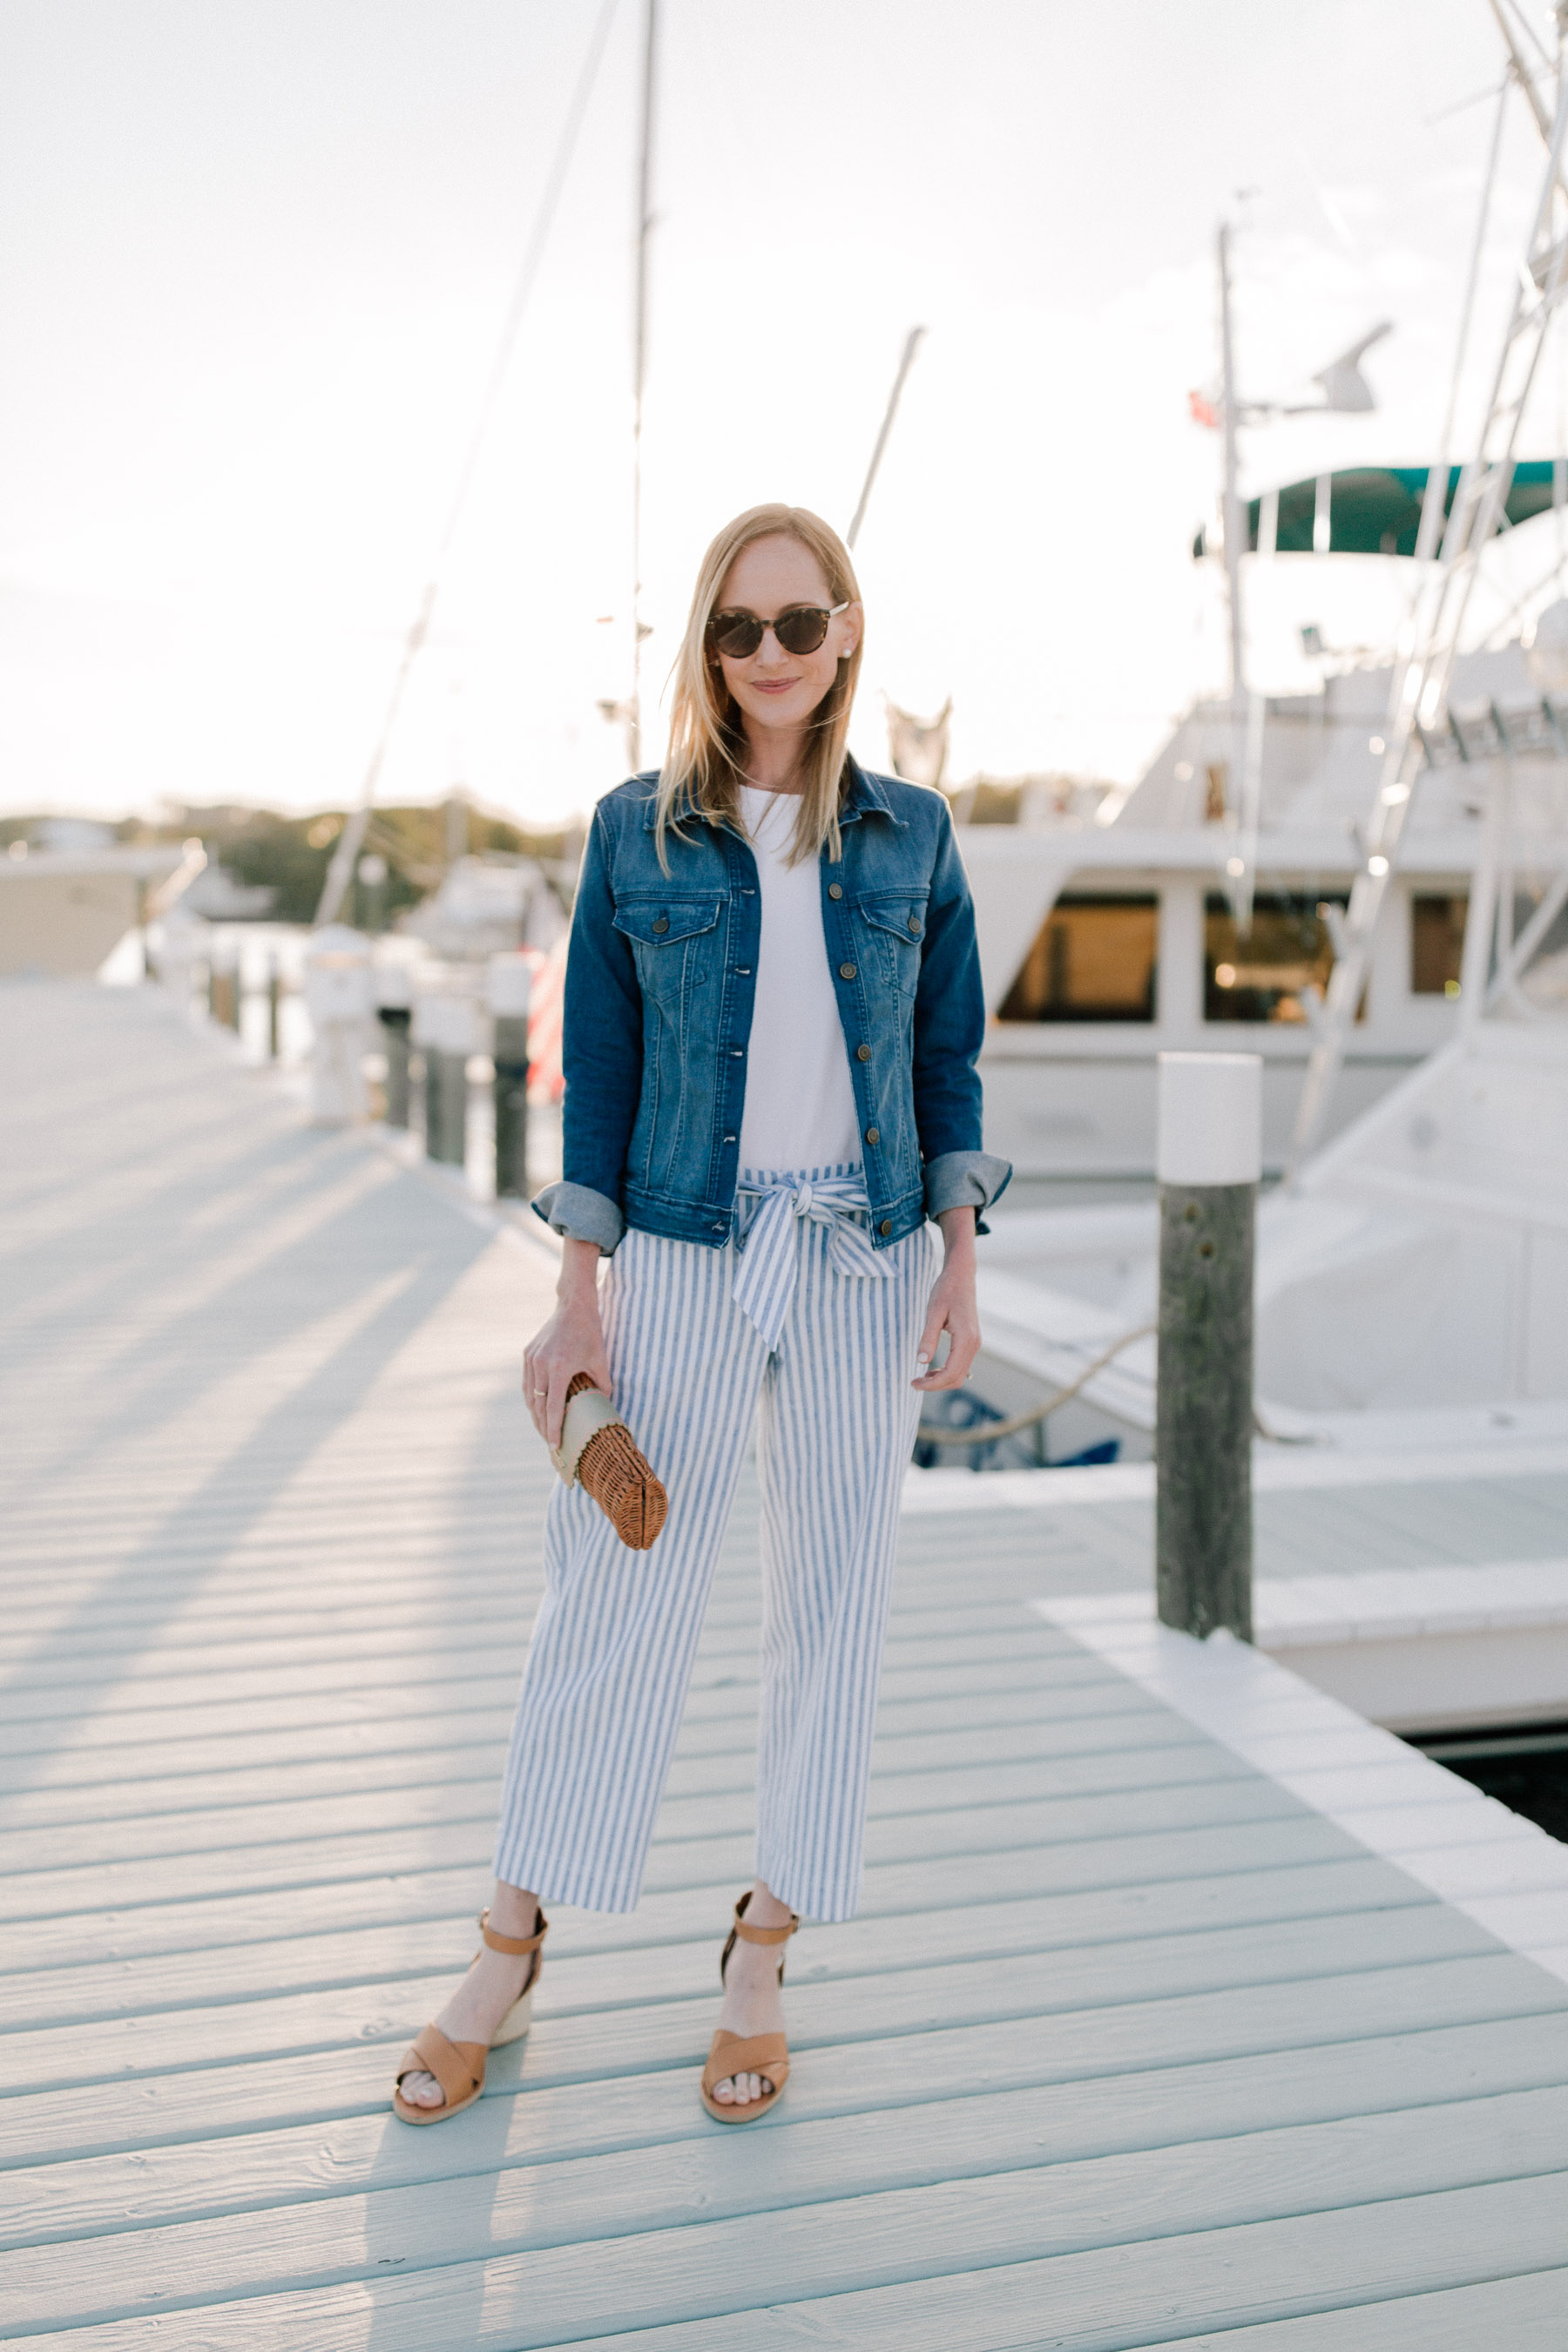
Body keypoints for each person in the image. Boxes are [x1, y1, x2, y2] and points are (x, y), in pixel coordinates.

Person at [394, 502, 1010, 2127]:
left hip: (865, 1255)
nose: (770, 658)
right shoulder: (633, 834)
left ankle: (764, 1941)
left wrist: (957, 1254)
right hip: (674, 1250)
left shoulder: (915, 837)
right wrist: (572, 1301)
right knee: (609, 1586)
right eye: (738, 631)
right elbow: (600, 1079)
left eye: (799, 625)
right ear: (707, 650)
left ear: (848, 633)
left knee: (837, 1599)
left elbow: (944, 1064)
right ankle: (512, 1938)